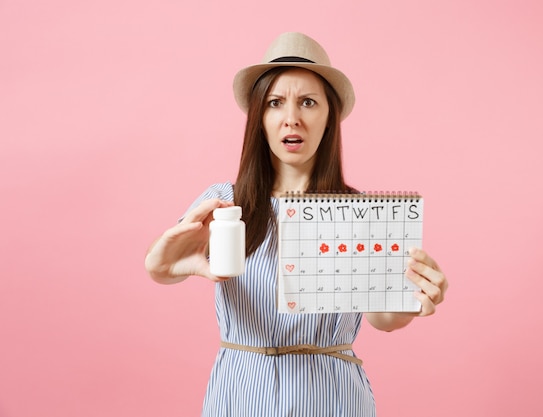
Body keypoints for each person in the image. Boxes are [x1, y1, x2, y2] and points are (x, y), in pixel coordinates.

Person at [144, 32, 448, 417]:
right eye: (275, 103)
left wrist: (414, 298)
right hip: (241, 392)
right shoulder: (224, 202)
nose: (292, 118)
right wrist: (160, 262)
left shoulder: (359, 212)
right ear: (260, 118)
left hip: (332, 397)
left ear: (329, 117)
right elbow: (167, 268)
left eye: (308, 102)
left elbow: (383, 317)